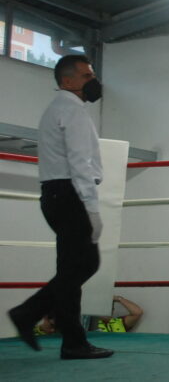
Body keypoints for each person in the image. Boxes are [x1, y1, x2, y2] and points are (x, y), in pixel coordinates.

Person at [7, 54, 113, 360]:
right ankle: (28, 314)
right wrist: (92, 209)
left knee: (71, 269)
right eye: (86, 76)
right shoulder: (72, 111)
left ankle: (72, 341)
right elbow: (80, 164)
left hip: (56, 194)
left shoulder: (59, 109)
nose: (93, 81)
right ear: (67, 81)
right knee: (85, 265)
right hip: (69, 194)